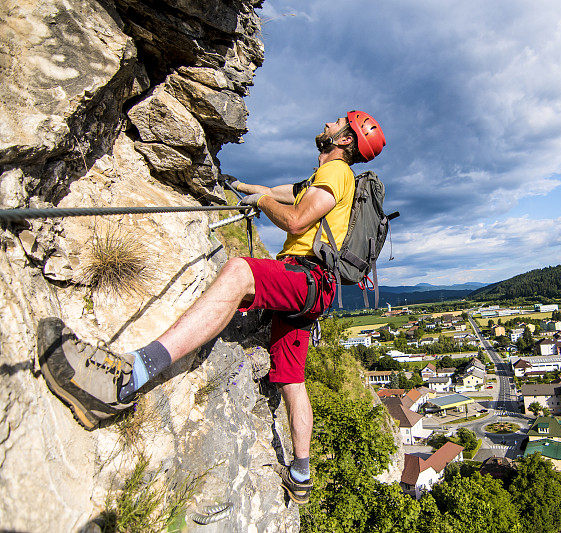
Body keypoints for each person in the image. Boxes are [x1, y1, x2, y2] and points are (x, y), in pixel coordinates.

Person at [37, 110, 386, 504]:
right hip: (314, 290)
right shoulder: (324, 179)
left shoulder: (336, 174)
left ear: (344, 140)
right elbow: (280, 192)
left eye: (337, 121)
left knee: (239, 272)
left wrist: (265, 201)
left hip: (304, 278)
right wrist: (237, 185)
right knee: (291, 378)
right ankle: (301, 474)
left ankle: (128, 377)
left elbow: (296, 220)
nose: (327, 122)